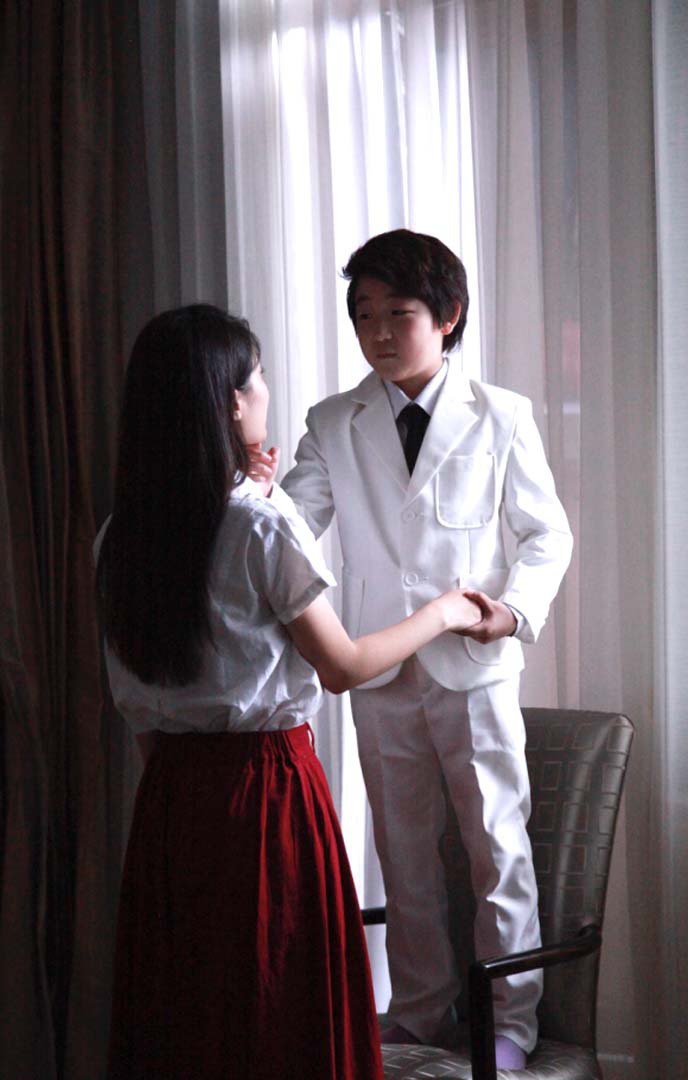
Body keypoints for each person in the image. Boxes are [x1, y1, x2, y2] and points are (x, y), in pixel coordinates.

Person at [95, 303, 481, 1080]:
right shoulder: (261, 527)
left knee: (191, 1019)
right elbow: (342, 666)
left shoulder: (118, 536)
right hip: (266, 793)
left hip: (169, 802)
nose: (267, 389)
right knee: (276, 1014)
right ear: (231, 402)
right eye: (258, 376)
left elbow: (144, 711)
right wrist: (442, 613)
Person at [270, 229, 573, 1071]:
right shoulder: (333, 421)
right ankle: (419, 1009)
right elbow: (291, 526)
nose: (377, 332)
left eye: (396, 313)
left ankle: (511, 1023)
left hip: (474, 665)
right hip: (378, 665)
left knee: (495, 848)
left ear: (448, 316)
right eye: (363, 314)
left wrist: (512, 611)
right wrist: (254, 487)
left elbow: (547, 535)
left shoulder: (502, 414)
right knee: (402, 853)